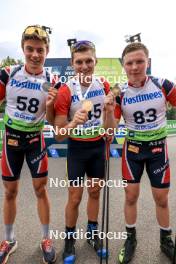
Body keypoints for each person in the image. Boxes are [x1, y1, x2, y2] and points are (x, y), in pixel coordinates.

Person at [47, 40, 117, 263]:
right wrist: (73, 123)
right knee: (75, 197)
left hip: (97, 147)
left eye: (89, 61)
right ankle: (69, 239)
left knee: (95, 192)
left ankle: (92, 234)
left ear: (95, 61)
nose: (84, 66)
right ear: (72, 63)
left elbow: (110, 132)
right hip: (76, 148)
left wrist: (108, 112)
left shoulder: (104, 86)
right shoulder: (66, 91)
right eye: (79, 62)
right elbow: (58, 134)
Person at [0, 25, 58, 264]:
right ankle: (9, 239)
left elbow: (53, 120)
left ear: (47, 51)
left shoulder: (51, 79)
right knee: (10, 191)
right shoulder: (8, 74)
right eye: (30, 49)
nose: (35, 54)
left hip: (36, 140)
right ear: (23, 49)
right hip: (11, 140)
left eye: (40, 50)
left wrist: (52, 105)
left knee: (40, 190)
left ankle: (46, 238)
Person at [115, 42, 176, 263]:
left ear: (147, 62)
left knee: (161, 198)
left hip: (158, 150)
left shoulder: (162, 84)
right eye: (130, 63)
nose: (135, 67)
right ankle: (130, 238)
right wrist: (107, 109)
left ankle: (166, 240)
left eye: (139, 61)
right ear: (124, 66)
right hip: (132, 151)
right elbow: (110, 127)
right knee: (131, 196)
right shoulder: (119, 92)